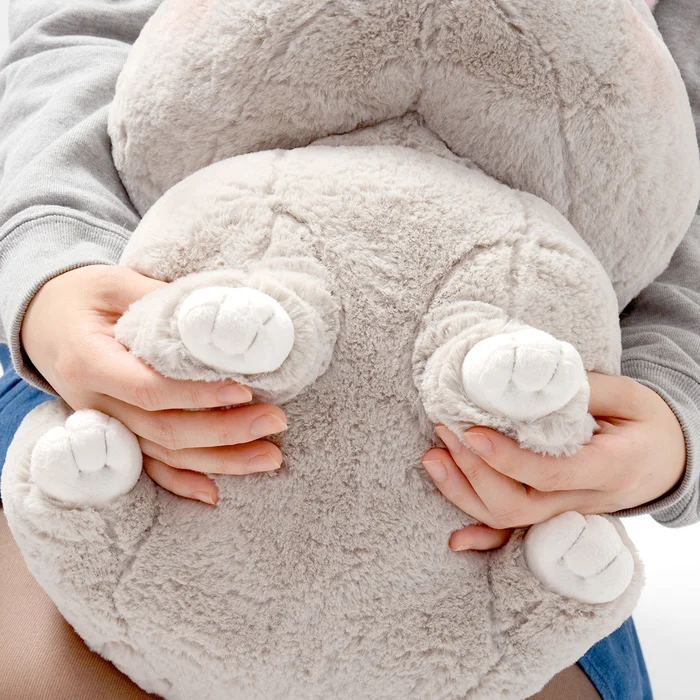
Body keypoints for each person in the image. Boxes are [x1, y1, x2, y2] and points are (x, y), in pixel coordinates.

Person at [0, 0, 698, 697]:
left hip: (506, 474)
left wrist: (672, 416)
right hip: (125, 350)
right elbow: (82, 33)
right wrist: (57, 271)